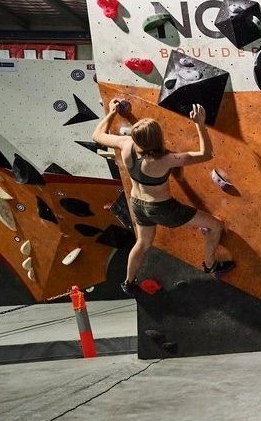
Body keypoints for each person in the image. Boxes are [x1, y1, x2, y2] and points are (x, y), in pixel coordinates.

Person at [92, 99, 234, 294]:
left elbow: (97, 135)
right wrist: (200, 124)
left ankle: (128, 283)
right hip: (163, 209)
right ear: (158, 139)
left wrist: (111, 112)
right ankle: (210, 265)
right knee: (216, 225)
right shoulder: (166, 160)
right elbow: (206, 154)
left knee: (143, 243)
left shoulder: (126, 144)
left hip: (137, 204)